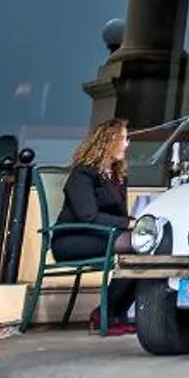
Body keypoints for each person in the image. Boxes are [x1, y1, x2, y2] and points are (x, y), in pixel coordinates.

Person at [56, 119, 136, 335]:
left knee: (148, 245)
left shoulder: (118, 177)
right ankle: (107, 313)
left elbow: (118, 216)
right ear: (106, 141)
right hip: (73, 238)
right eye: (122, 139)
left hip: (104, 236)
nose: (127, 144)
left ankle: (115, 312)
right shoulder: (83, 174)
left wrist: (136, 224)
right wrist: (128, 223)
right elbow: (88, 216)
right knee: (137, 245)